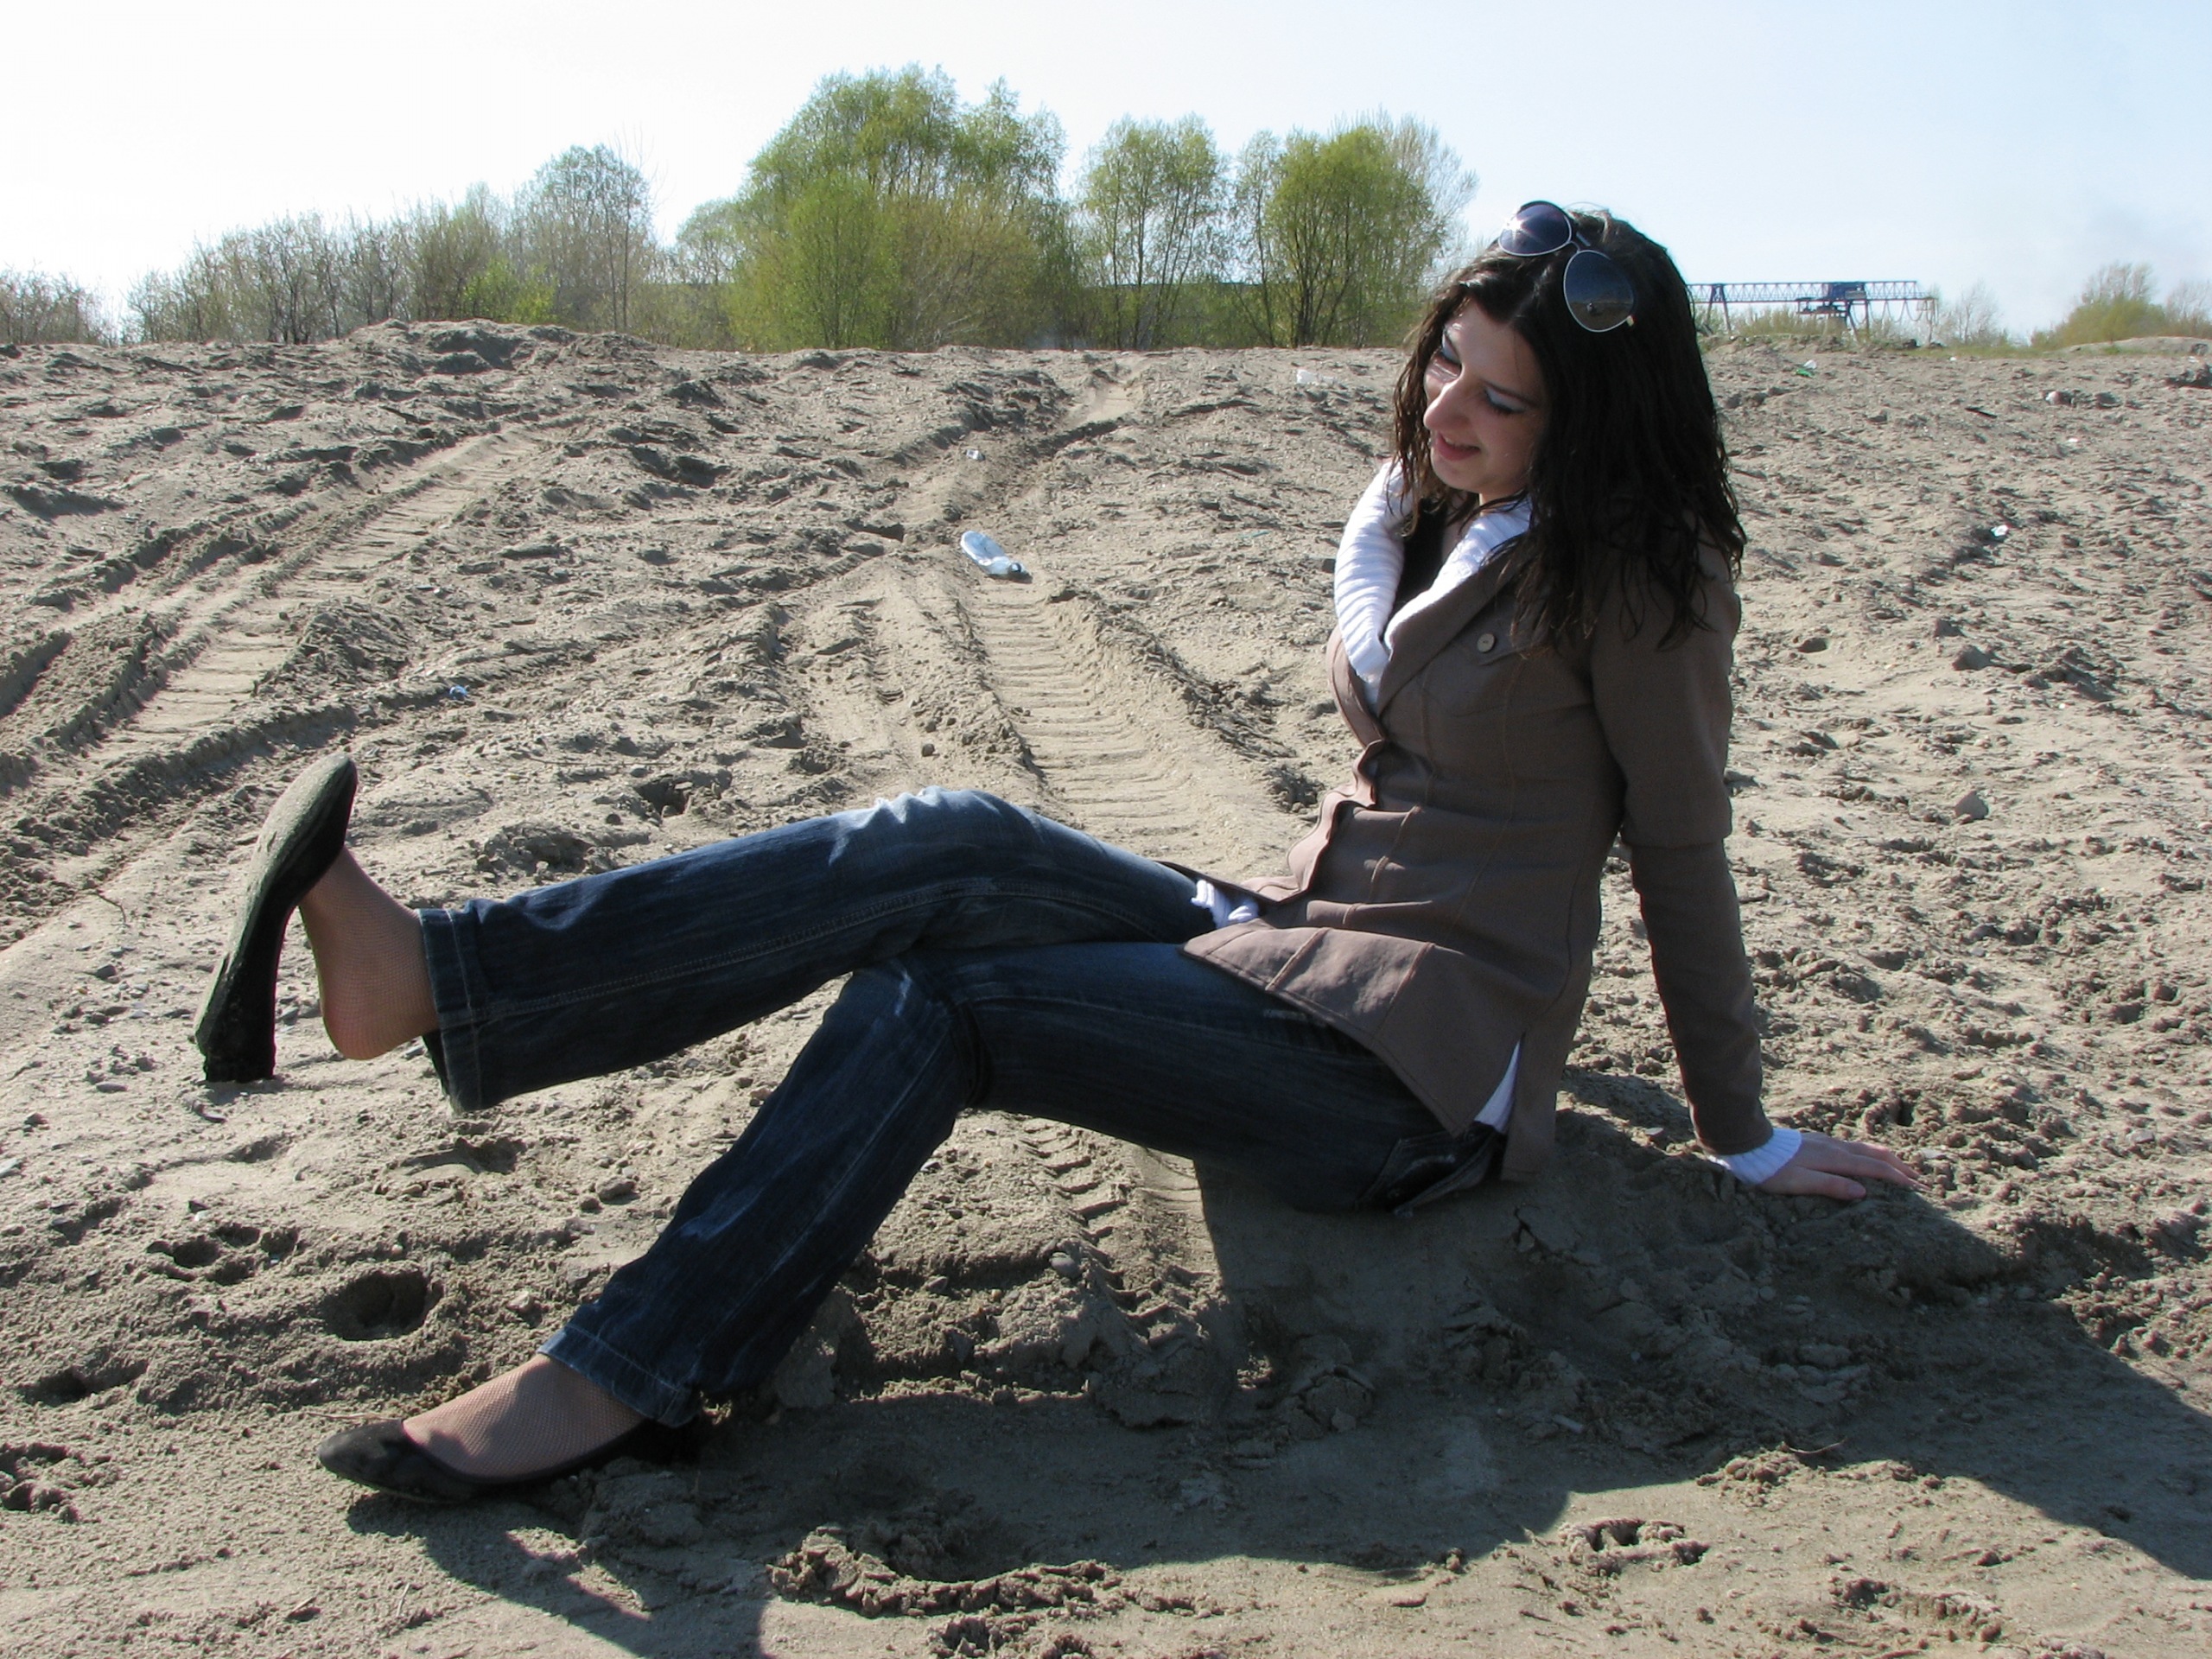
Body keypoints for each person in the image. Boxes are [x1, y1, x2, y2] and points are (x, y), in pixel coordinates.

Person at [194, 202, 1916, 1503]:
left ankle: (628, 1376)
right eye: (1446, 362)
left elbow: (1682, 856)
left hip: (1413, 1079)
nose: (1448, 407)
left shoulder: (1643, 581)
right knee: (945, 840)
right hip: (1301, 952)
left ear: (1590, 428)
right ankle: (441, 979)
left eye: (1501, 398)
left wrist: (1739, 1131)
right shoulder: (1432, 515)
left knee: (943, 1003)